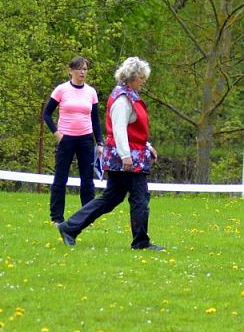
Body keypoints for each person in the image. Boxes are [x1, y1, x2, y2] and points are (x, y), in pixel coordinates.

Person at [57, 56, 164, 251]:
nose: (143, 80)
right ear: (131, 77)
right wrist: (126, 157)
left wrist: (147, 146)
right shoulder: (123, 99)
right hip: (126, 160)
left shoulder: (129, 95)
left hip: (128, 156)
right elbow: (119, 130)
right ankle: (141, 242)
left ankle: (69, 227)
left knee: (110, 198)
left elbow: (134, 130)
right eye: (141, 77)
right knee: (140, 198)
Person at [43, 56, 103, 225]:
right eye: (79, 69)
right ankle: (57, 218)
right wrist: (56, 132)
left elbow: (95, 119)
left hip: (85, 139)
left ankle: (87, 217)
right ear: (70, 71)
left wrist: (100, 142)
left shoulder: (91, 92)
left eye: (85, 69)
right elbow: (46, 114)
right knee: (61, 178)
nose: (82, 72)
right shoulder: (61, 90)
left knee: (87, 179)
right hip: (66, 139)